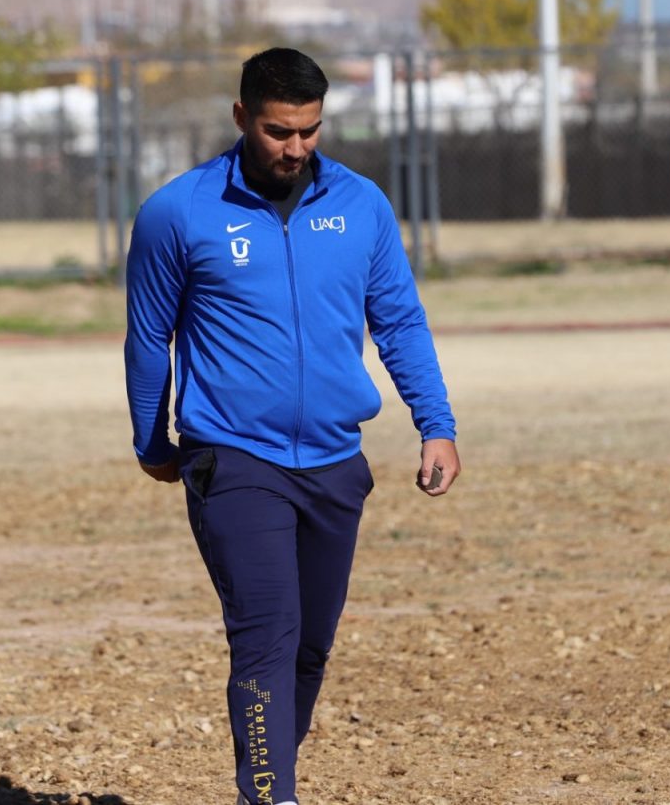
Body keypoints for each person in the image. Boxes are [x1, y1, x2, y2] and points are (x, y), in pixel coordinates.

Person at [124, 47, 461, 805]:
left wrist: (435, 424)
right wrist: (152, 440)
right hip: (233, 458)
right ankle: (272, 796)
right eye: (278, 131)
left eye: (309, 130)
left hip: (336, 461)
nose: (295, 148)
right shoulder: (178, 212)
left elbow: (400, 323)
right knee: (267, 634)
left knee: (309, 647)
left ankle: (273, 773)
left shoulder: (363, 206)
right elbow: (149, 338)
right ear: (242, 117)